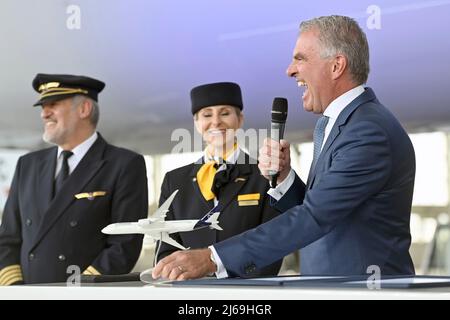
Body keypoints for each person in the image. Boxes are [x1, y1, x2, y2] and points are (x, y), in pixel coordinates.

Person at [153, 15, 416, 280]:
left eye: (300, 58)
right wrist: (284, 177)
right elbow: (322, 208)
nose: (290, 70)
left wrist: (212, 258)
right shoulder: (338, 125)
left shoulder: (366, 131)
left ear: (336, 66)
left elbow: (313, 217)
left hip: (361, 289)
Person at [0, 74, 148, 285]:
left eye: (53, 104)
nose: (44, 114)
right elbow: (8, 237)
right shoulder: (28, 164)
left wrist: (78, 288)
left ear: (84, 109)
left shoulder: (124, 164)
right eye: (43, 106)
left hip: (83, 293)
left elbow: (125, 244)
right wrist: (15, 289)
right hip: (28, 292)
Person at [156, 82, 282, 277]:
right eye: (207, 115)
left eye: (225, 113)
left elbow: (273, 245)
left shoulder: (264, 175)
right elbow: (165, 249)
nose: (216, 122)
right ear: (196, 123)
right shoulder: (175, 180)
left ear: (240, 120)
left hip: (249, 293)